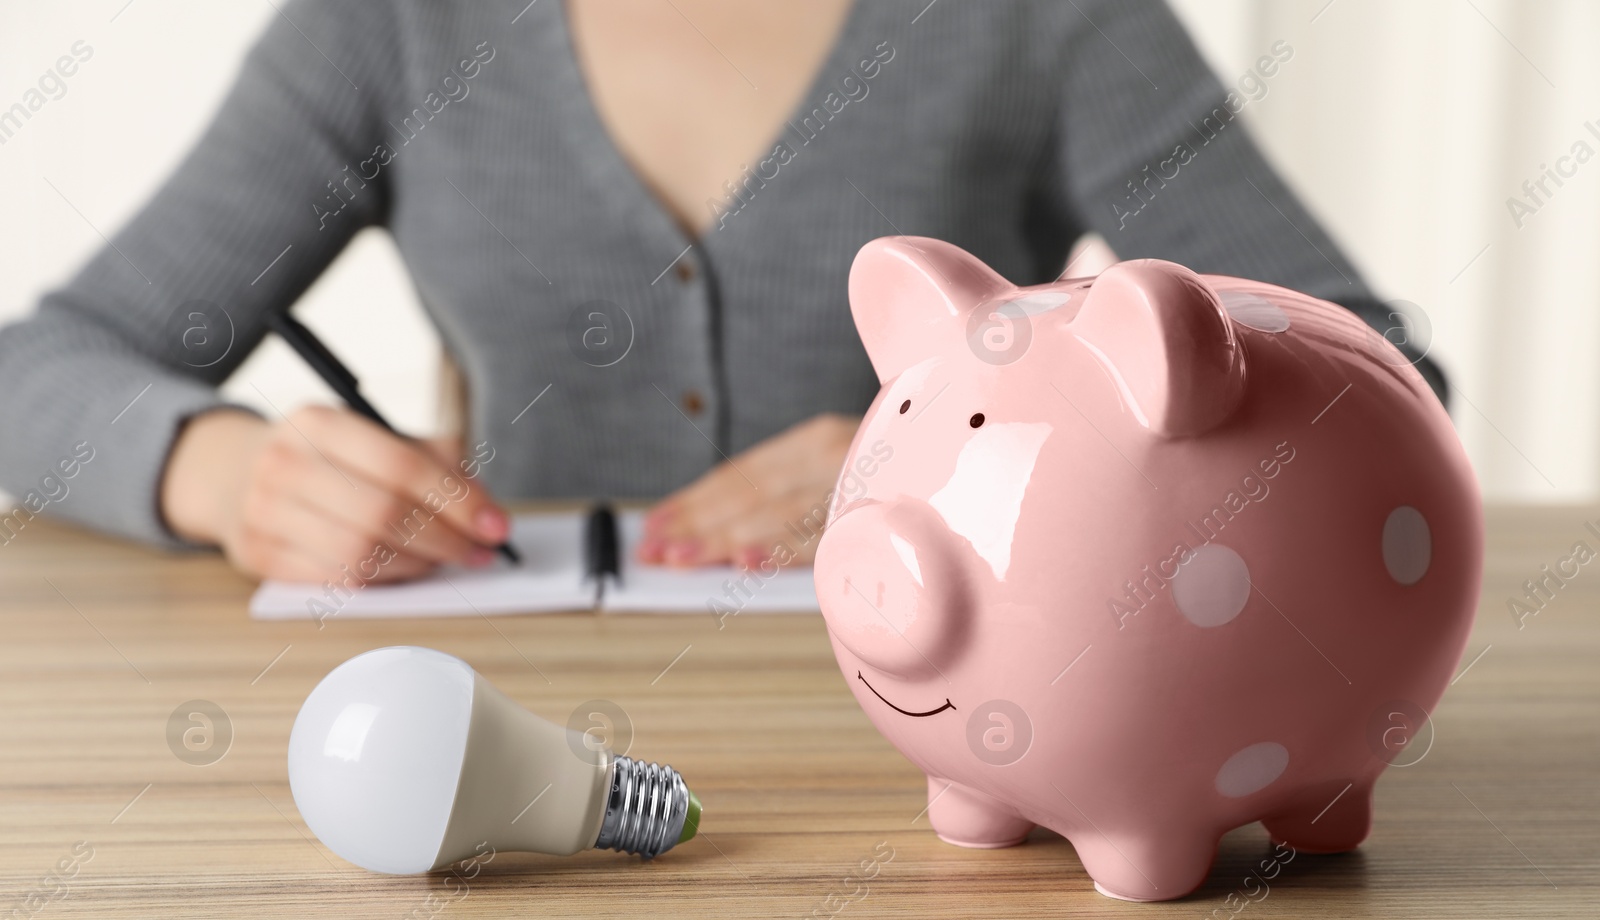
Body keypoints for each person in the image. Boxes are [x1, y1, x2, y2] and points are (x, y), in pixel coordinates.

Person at [0, 0, 1444, 583]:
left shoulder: (1042, 17)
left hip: (965, 778)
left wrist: (966, 474)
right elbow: (35, 373)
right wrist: (217, 467)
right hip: (510, 772)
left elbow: (1374, 378)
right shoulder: (394, 20)